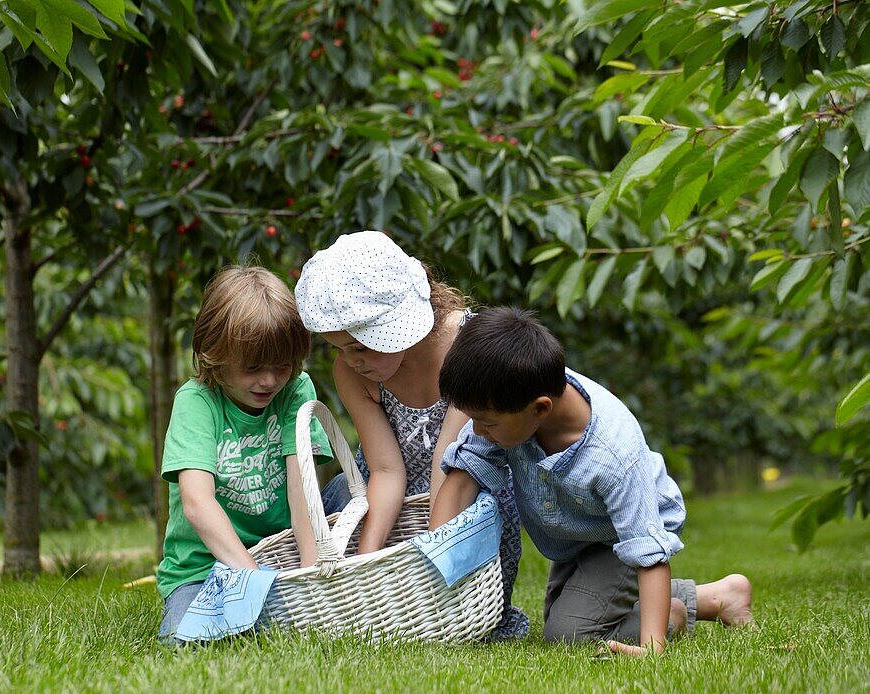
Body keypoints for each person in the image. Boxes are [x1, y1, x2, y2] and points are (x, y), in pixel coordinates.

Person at [430, 307, 754, 655]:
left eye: (487, 423)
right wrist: (436, 562)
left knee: (567, 634)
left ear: (540, 409)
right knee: (563, 615)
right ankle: (714, 597)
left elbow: (648, 553)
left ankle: (672, 615)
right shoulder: (512, 394)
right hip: (577, 533)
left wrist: (653, 649)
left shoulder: (614, 454)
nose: (477, 431)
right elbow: (465, 474)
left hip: (619, 535)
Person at [156, 266, 333, 639]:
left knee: (350, 492)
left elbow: (302, 488)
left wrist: (311, 578)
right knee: (186, 636)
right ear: (214, 356)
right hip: (205, 569)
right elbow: (196, 503)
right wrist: (254, 582)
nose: (269, 380)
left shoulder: (296, 389)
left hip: (282, 552)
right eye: (253, 368)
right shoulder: (196, 403)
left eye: (281, 366)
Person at [294, 231, 473, 553]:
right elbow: (386, 470)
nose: (352, 361)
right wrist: (369, 555)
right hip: (386, 506)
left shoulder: (466, 347)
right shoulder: (352, 372)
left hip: (463, 497)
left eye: (361, 347)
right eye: (339, 349)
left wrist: (434, 552)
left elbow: (448, 461)